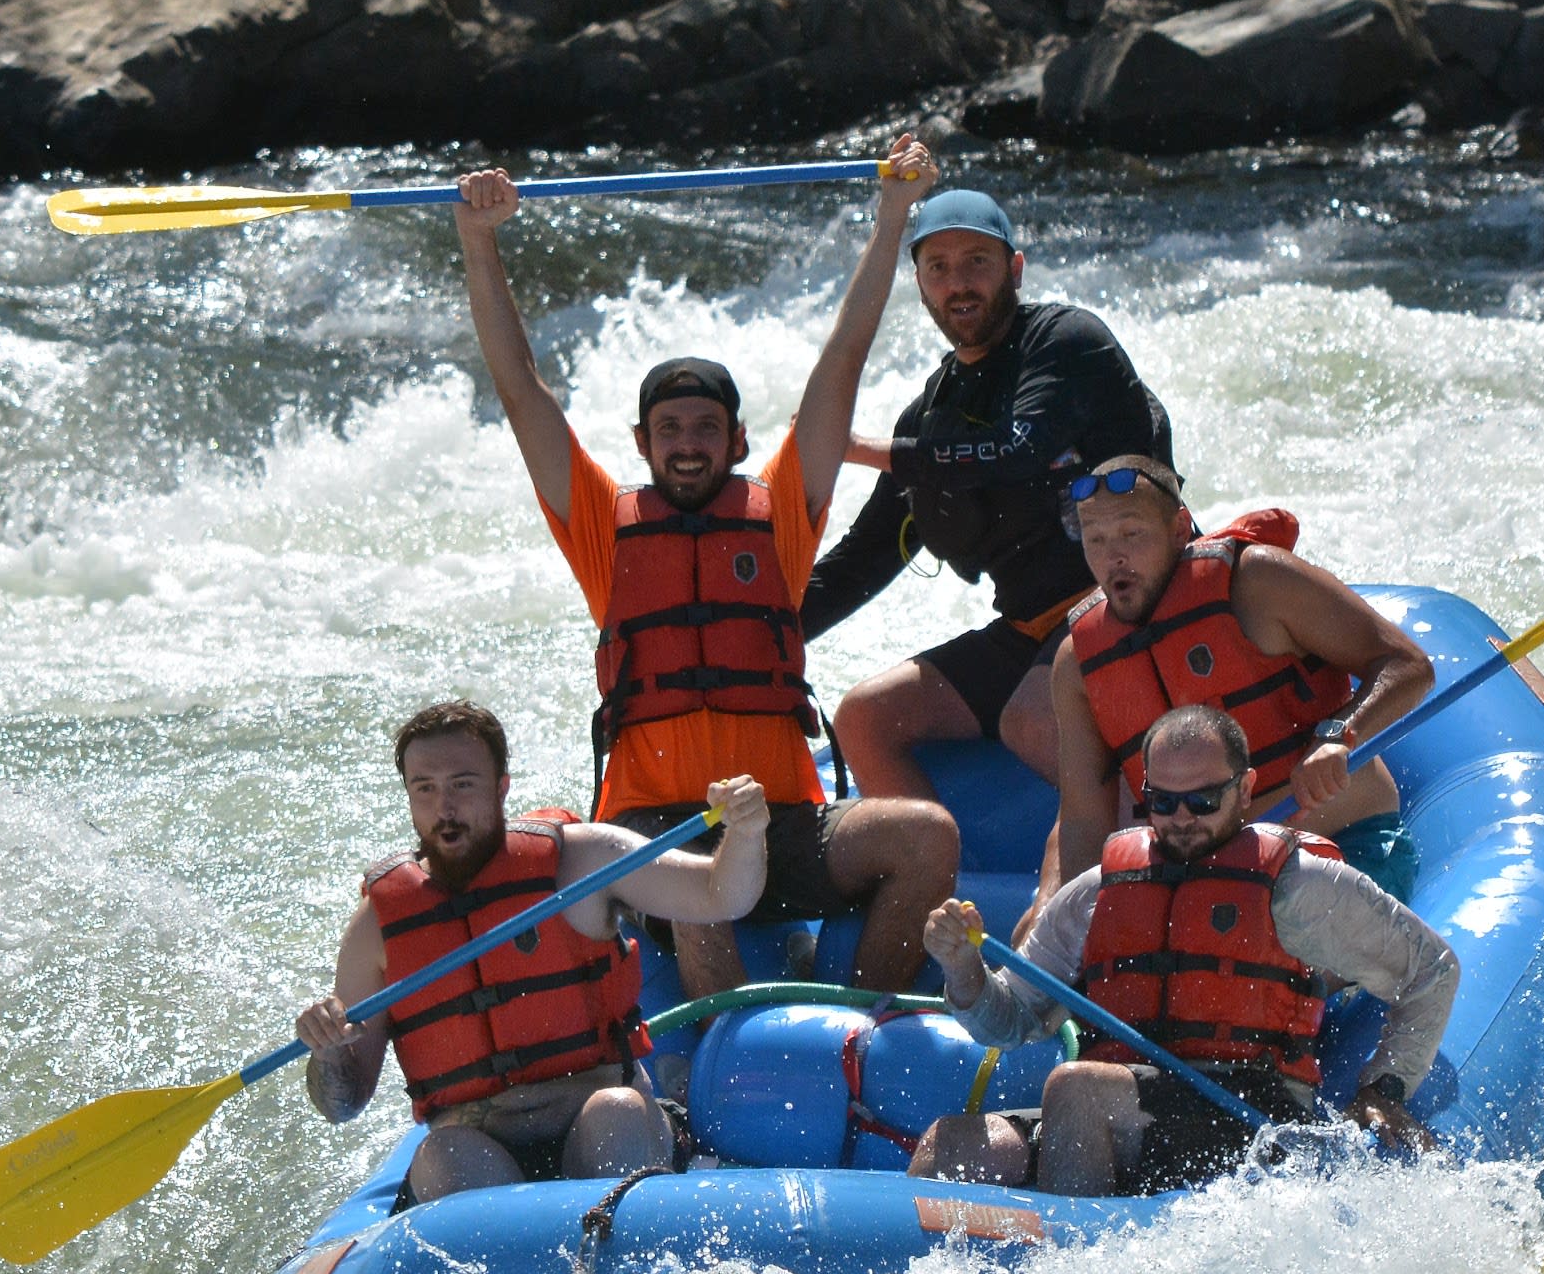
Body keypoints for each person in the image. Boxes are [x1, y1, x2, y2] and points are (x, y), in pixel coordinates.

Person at [452, 139, 958, 1000]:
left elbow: (842, 365)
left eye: (705, 429)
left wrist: (893, 219)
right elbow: (520, 388)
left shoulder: (783, 517)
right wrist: (478, 239)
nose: (688, 444)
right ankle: (712, 1081)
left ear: (737, 443)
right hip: (654, 831)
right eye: (671, 430)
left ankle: (864, 1027)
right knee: (695, 884)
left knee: (927, 837)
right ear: (643, 445)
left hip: (786, 821)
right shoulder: (604, 533)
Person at [907, 705, 1458, 1197]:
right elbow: (1010, 1020)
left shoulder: (1301, 886)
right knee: (947, 1146)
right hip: (1126, 1112)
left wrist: (1385, 1086)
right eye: (1164, 801)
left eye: (1203, 799)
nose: (1182, 817)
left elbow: (1432, 970)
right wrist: (963, 967)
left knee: (1077, 1089)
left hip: (1250, 1118)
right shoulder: (1099, 892)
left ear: (1244, 791)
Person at [295, 701, 772, 1202]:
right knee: (446, 1154)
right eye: (425, 789)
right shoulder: (377, 928)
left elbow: (724, 894)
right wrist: (329, 1053)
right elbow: (343, 1104)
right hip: (478, 1147)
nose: (445, 808)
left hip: (596, 1113)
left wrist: (745, 832)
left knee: (619, 1113)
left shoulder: (582, 862)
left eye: (463, 784)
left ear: (501, 785)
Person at [800, 188, 1175, 802]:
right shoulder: (930, 415)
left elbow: (1018, 449)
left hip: (1130, 602)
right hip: (1030, 632)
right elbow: (861, 562)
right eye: (939, 268)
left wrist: (858, 449)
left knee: (1029, 716)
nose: (960, 283)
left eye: (978, 261)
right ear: (920, 287)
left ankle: (1173, 837)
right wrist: (763, 637)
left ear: (1015, 269)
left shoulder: (1067, 342)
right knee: (865, 716)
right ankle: (928, 878)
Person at [1041, 454, 1436, 901]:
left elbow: (1407, 665)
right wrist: (1072, 929)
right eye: (1096, 540)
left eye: (1132, 534)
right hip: (1207, 887)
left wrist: (1337, 735)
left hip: (1343, 851)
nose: (1114, 558)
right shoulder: (1077, 665)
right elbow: (1083, 825)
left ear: (1178, 529)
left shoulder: (1257, 582)